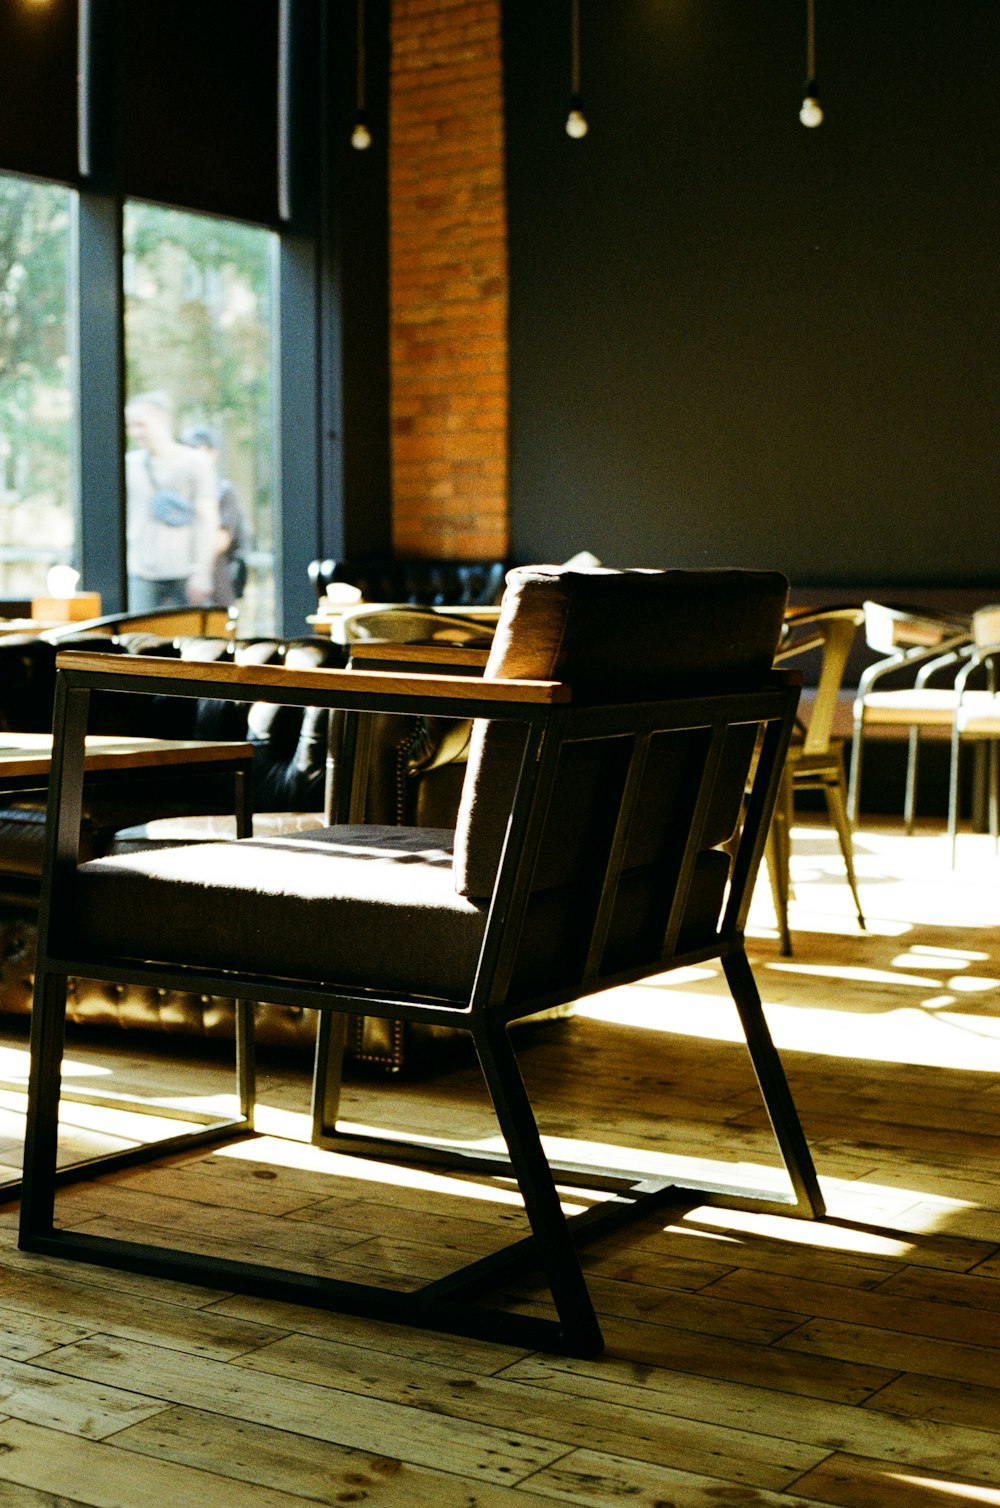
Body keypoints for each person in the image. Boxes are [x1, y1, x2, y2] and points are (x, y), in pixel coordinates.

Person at [124, 391, 219, 610]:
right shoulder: (130, 465)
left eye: (141, 424)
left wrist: (202, 571)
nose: (135, 432)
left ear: (162, 420)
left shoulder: (196, 463)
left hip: (186, 573)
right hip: (141, 572)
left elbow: (207, 518)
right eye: (131, 426)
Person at [180, 425, 249, 608]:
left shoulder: (223, 491)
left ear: (213, 454)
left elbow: (221, 540)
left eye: (197, 450)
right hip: (180, 585)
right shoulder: (179, 491)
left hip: (216, 583)